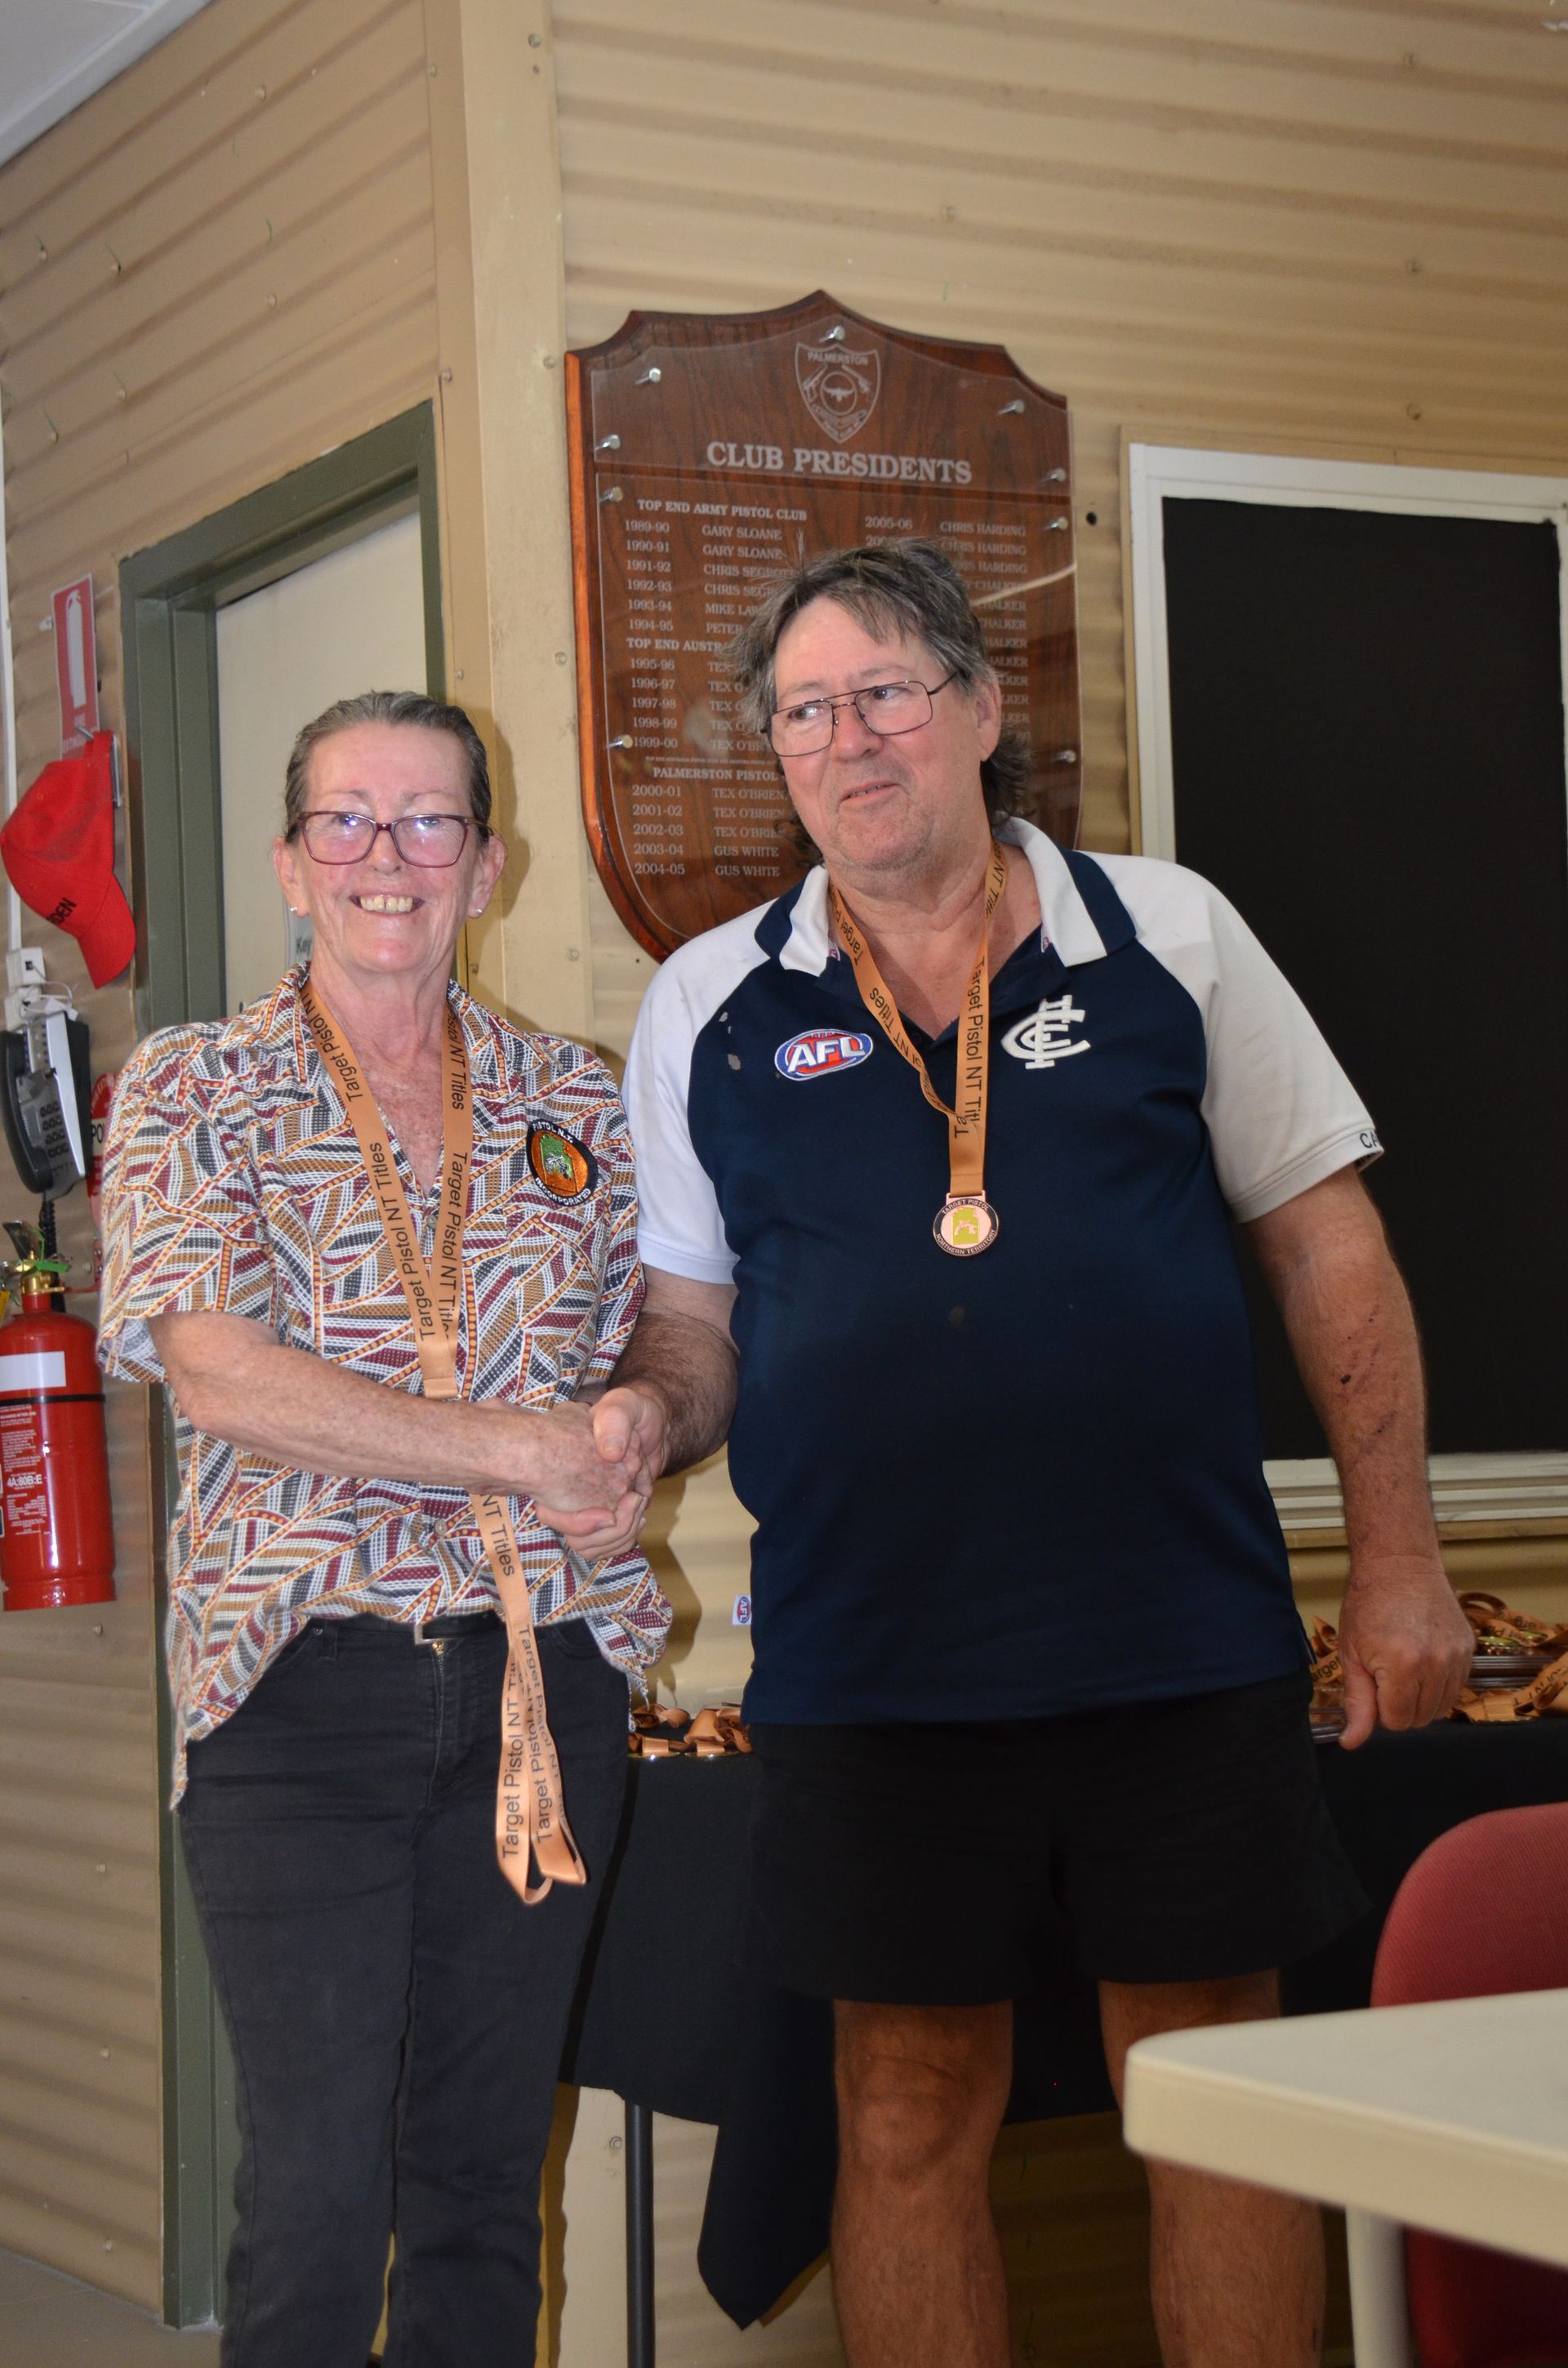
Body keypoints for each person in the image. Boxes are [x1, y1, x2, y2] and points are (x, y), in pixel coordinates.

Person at [551, 544, 1473, 2368]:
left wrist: (1399, 1560)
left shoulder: (1173, 932)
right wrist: (646, 1413)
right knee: (902, 2104)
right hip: (873, 1660)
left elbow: (1328, 1245)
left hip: (1176, 1639)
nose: (849, 737)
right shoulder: (707, 1002)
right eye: (805, 711)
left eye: (887, 689)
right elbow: (692, 1318)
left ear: (981, 710)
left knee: (1216, 2106)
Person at [97, 689, 666, 2368]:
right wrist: (516, 1444)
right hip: (301, 1693)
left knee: (488, 2186)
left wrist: (634, 1415)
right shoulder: (195, 1089)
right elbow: (217, 1371)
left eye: (429, 822)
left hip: (547, 1689)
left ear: (487, 866)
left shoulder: (580, 1104)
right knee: (321, 2189)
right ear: (289, 862)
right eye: (345, 819)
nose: (386, 858)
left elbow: (661, 1331)